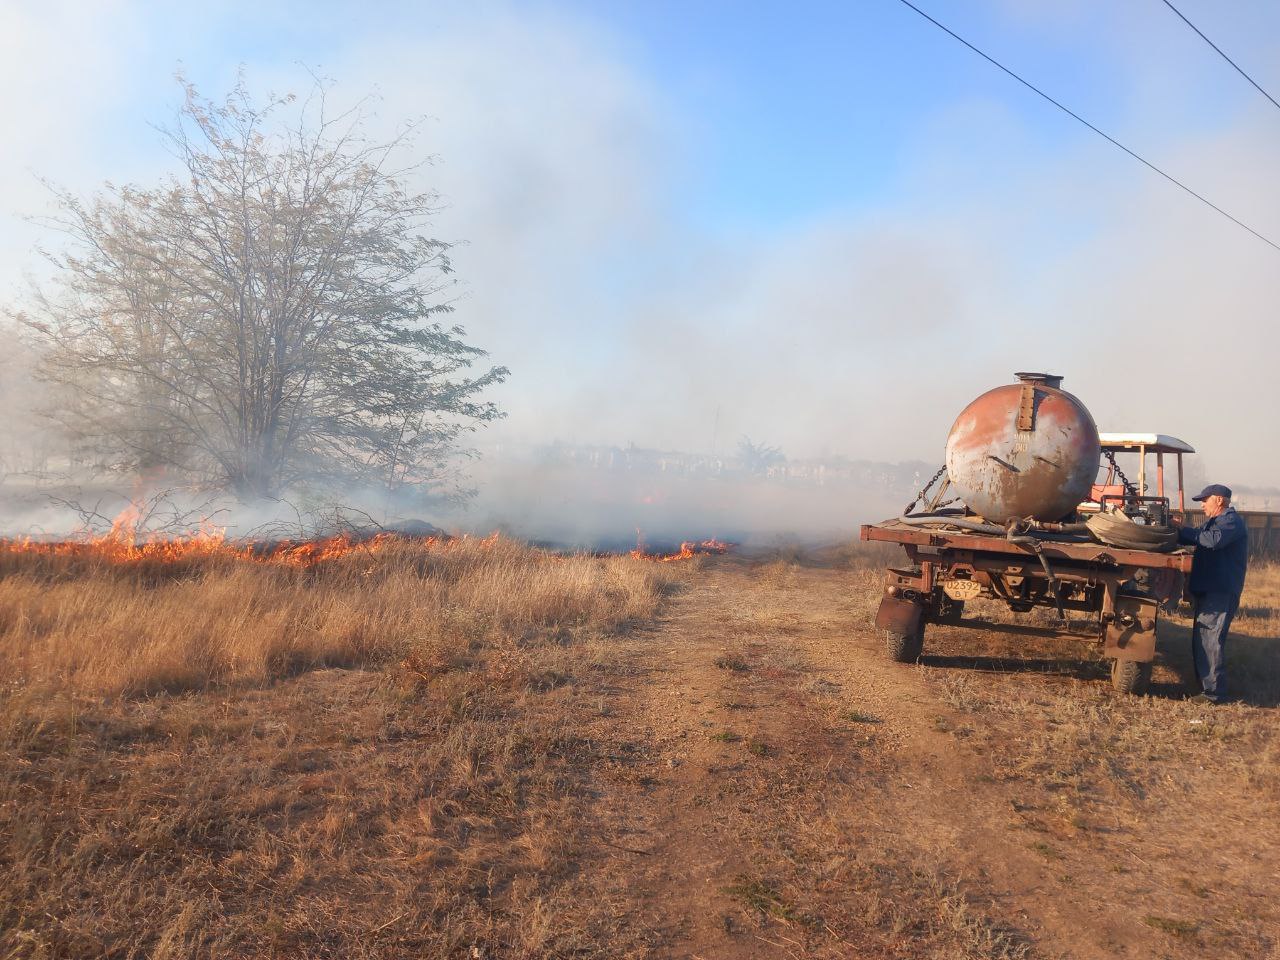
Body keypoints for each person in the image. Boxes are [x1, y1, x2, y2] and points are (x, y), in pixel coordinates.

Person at [1174, 484, 1249, 704]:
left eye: (1204, 500)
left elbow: (1211, 539)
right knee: (1203, 638)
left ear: (1218, 500)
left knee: (1210, 639)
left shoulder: (1230, 521)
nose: (1202, 505)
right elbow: (1198, 537)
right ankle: (1206, 689)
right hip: (1212, 589)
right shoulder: (1216, 522)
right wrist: (1177, 530)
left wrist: (1184, 530)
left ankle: (1214, 693)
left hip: (1220, 591)